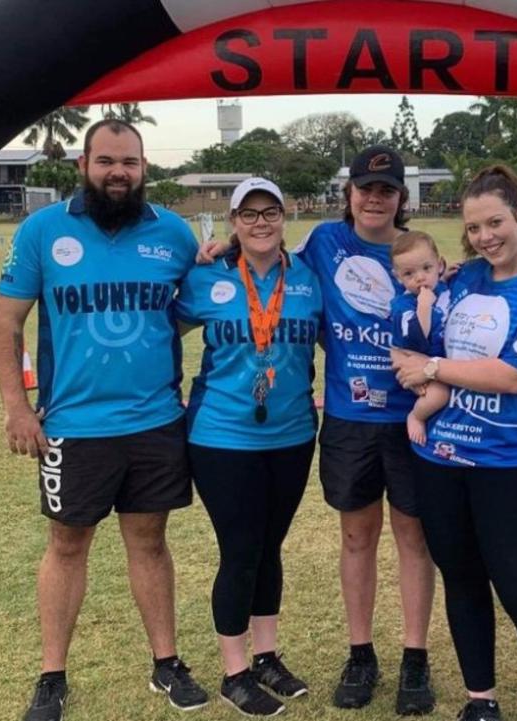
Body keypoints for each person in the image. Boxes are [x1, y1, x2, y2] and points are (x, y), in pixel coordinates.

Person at [0, 119, 206, 721]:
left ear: (144, 168)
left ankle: (166, 664)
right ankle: (52, 675)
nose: (118, 172)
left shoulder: (174, 233)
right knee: (66, 546)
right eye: (107, 161)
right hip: (72, 425)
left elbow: (186, 308)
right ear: (84, 165)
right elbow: (5, 322)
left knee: (150, 542)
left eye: (130, 162)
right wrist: (16, 408)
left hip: (156, 421)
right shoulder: (43, 230)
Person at [393, 165, 517, 721]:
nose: (485, 237)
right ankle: (481, 700)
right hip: (443, 457)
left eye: (495, 222)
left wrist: (431, 366)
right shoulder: (465, 279)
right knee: (461, 577)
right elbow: (421, 321)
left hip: (516, 465)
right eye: (474, 228)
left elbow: (514, 376)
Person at [291, 146, 437, 713]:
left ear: (402, 198)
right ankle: (360, 653)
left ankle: (415, 657)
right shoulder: (325, 242)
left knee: (413, 537)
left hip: (411, 422)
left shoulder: (417, 252)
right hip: (351, 420)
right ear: (349, 193)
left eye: (387, 190)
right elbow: (273, 263)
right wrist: (224, 245)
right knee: (356, 536)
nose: (375, 198)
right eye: (365, 188)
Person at [175, 178, 323, 716]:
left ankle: (266, 658)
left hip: (292, 435)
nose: (260, 223)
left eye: (270, 212)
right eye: (249, 214)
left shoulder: (308, 278)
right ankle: (234, 672)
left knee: (270, 547)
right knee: (240, 550)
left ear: (285, 217)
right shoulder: (206, 278)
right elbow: (159, 329)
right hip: (221, 437)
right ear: (233, 222)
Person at [388, 230, 450, 445]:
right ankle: (416, 416)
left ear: (439, 266)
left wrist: (446, 276)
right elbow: (416, 340)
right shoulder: (403, 305)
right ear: (398, 278)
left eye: (427, 268)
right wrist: (424, 306)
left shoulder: (444, 289)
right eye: (409, 274)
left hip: (441, 362)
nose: (420, 277)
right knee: (440, 394)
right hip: (414, 359)